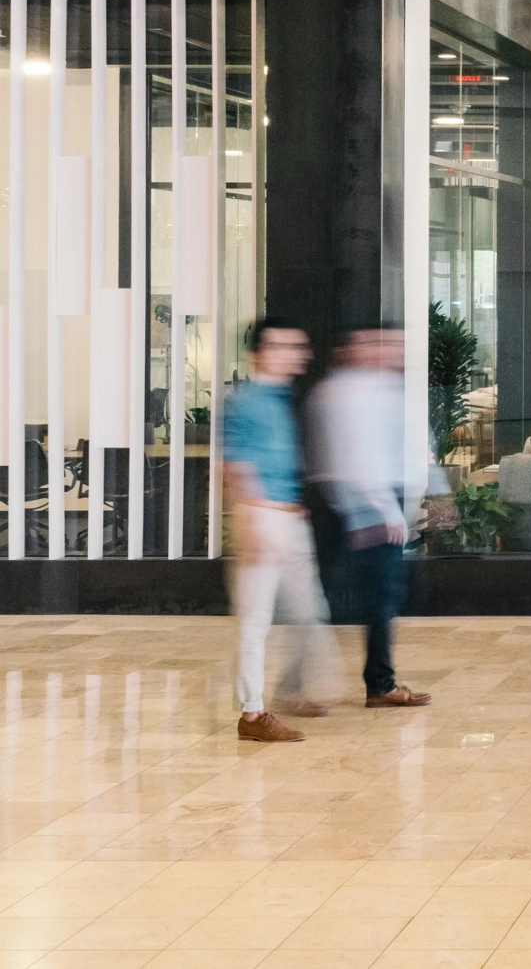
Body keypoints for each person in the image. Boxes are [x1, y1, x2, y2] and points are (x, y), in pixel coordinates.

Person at [306, 325, 432, 710]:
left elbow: (412, 443)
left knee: (379, 598)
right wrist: (382, 512)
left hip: (369, 503)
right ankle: (367, 684)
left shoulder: (386, 391)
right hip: (353, 507)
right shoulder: (342, 393)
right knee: (342, 599)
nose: (389, 351)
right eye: (379, 343)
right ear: (353, 347)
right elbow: (356, 460)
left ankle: (378, 683)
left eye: (393, 344)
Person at [221, 317, 335, 743]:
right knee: (255, 622)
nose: (299, 354)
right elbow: (232, 466)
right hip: (261, 518)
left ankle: (289, 689)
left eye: (299, 346)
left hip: (289, 518)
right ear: (263, 352)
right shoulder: (245, 401)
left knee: (309, 612)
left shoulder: (284, 396)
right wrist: (250, 521)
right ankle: (252, 714)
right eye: (288, 346)